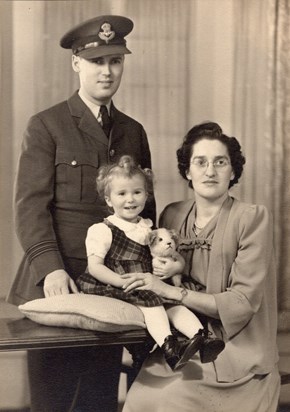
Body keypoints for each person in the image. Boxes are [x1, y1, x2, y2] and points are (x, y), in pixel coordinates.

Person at [7, 15, 155, 412]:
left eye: (115, 61)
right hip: (62, 280)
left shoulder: (133, 131)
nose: (106, 71)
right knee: (53, 401)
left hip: (111, 285)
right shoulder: (47, 125)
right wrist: (50, 268)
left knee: (99, 399)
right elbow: (30, 207)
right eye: (96, 62)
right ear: (76, 63)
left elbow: (145, 211)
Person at [122, 122, 281, 412]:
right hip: (184, 341)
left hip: (237, 349)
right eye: (200, 162)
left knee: (170, 401)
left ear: (233, 171)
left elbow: (242, 304)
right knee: (139, 399)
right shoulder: (172, 214)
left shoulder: (252, 218)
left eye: (220, 162)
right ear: (187, 172)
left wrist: (171, 293)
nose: (210, 171)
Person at [76, 155, 225, 371]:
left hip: (150, 281)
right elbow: (95, 267)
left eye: (137, 192)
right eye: (122, 193)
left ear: (146, 195)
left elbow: (168, 253)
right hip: (122, 283)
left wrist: (176, 267)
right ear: (108, 200)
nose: (130, 199)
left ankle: (201, 338)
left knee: (174, 304)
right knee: (154, 306)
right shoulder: (103, 230)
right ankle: (170, 347)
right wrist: (120, 281)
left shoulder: (149, 228)